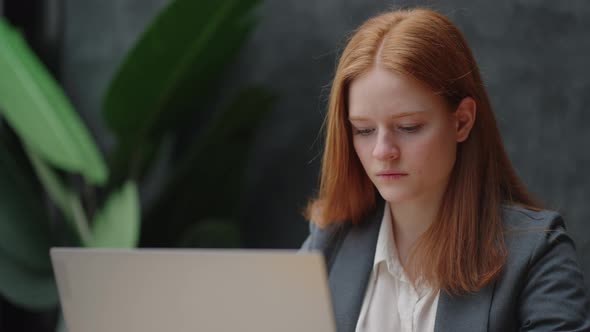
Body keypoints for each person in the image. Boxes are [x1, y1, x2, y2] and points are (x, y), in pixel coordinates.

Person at [300, 7, 590, 332]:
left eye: (408, 127)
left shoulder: (537, 253)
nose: (382, 151)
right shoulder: (328, 242)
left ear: (462, 121)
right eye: (364, 130)